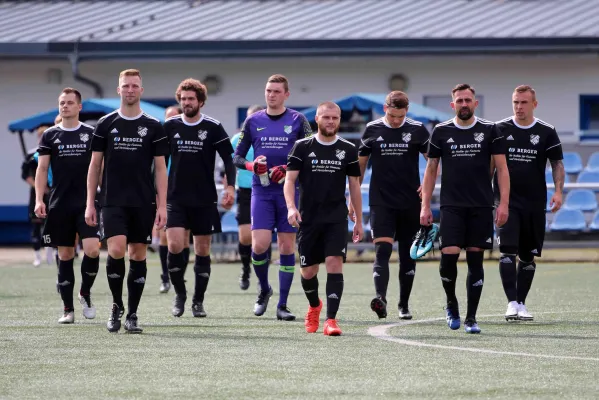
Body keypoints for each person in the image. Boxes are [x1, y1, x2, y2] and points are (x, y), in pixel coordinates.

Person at [420, 83, 510, 334]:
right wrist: (425, 205)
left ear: (475, 103)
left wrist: (503, 204)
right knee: (448, 256)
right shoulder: (440, 131)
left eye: (468, 100)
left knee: (475, 260)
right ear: (453, 105)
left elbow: (502, 169)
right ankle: (451, 303)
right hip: (451, 205)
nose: (464, 104)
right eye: (459, 101)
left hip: (481, 206)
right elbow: (431, 169)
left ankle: (471, 318)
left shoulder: (490, 130)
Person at [86, 69, 168, 334]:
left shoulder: (154, 126)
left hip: (143, 201)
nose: (130, 90)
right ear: (118, 90)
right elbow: (94, 164)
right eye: (126, 86)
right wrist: (90, 202)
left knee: (138, 253)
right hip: (112, 200)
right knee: (117, 249)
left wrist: (163, 205)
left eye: (135, 86)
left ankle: (132, 313)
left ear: (141, 91)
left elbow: (161, 169)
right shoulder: (105, 124)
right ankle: (116, 305)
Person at [233, 74, 312, 320]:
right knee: (259, 245)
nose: (272, 95)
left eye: (277, 91)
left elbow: (311, 153)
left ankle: (283, 305)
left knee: (288, 246)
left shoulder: (298, 120)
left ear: (286, 94)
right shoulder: (252, 121)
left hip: (289, 193)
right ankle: (264, 289)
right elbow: (236, 157)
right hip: (262, 191)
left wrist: (289, 170)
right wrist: (251, 166)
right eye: (268, 90)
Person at [285, 101, 363, 336]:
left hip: (336, 218)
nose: (331, 122)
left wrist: (358, 219)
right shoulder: (301, 146)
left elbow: (355, 186)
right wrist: (291, 208)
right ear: (316, 120)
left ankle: (331, 320)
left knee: (334, 264)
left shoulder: (348, 149)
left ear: (339, 120)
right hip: (308, 219)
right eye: (326, 117)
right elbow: (289, 181)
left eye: (335, 118)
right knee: (308, 271)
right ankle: (314, 306)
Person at [351, 91, 431, 320]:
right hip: (381, 201)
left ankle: (404, 304)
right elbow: (361, 164)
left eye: (401, 116)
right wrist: (352, 197)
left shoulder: (417, 129)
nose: (397, 120)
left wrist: (426, 187)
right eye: (393, 115)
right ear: (385, 109)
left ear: (407, 112)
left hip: (410, 203)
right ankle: (381, 299)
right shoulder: (372, 129)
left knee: (408, 256)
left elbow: (434, 162)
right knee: (382, 251)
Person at [163, 78, 236, 318]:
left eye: (191, 99)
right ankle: (180, 294)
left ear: (201, 101)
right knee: (174, 245)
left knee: (203, 249)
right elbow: (158, 162)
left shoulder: (213, 127)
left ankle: (198, 300)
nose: (186, 103)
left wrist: (230, 187)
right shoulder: (170, 126)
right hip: (174, 196)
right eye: (183, 99)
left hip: (204, 198)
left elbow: (229, 159)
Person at [495, 85, 564, 322]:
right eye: (515, 102)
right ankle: (511, 303)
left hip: (535, 203)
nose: (519, 107)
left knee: (527, 256)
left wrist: (558, 191)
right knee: (507, 251)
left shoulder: (546, 131)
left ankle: (521, 303)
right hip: (506, 202)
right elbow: (491, 165)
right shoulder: (500, 129)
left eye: (524, 103)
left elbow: (557, 164)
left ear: (534, 104)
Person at [34, 88, 100, 324]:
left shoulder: (91, 133)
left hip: (87, 203)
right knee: (65, 254)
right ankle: (68, 309)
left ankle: (85, 292)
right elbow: (41, 169)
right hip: (60, 204)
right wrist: (39, 199)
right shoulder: (50, 135)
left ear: (79, 107)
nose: (65, 106)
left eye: (70, 103)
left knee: (92, 249)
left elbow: (99, 168)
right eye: (62, 103)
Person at [155, 105, 190, 294]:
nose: (170, 121)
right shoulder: (161, 138)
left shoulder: (186, 136)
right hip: (165, 193)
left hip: (186, 192)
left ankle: (179, 275)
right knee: (164, 236)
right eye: (167, 118)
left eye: (174, 117)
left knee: (183, 240)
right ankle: (165, 277)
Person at [230, 105, 263, 290]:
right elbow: (229, 162)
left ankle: (261, 277)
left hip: (265, 189)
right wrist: (228, 186)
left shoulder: (269, 139)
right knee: (245, 237)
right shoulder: (237, 140)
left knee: (261, 237)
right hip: (245, 191)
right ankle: (245, 269)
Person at [22, 126, 52, 267]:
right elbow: (25, 175)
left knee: (50, 226)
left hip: (52, 194)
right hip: (36, 196)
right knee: (36, 226)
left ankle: (50, 254)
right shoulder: (31, 155)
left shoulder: (54, 151)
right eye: (40, 136)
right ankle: (37, 257)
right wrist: (38, 186)